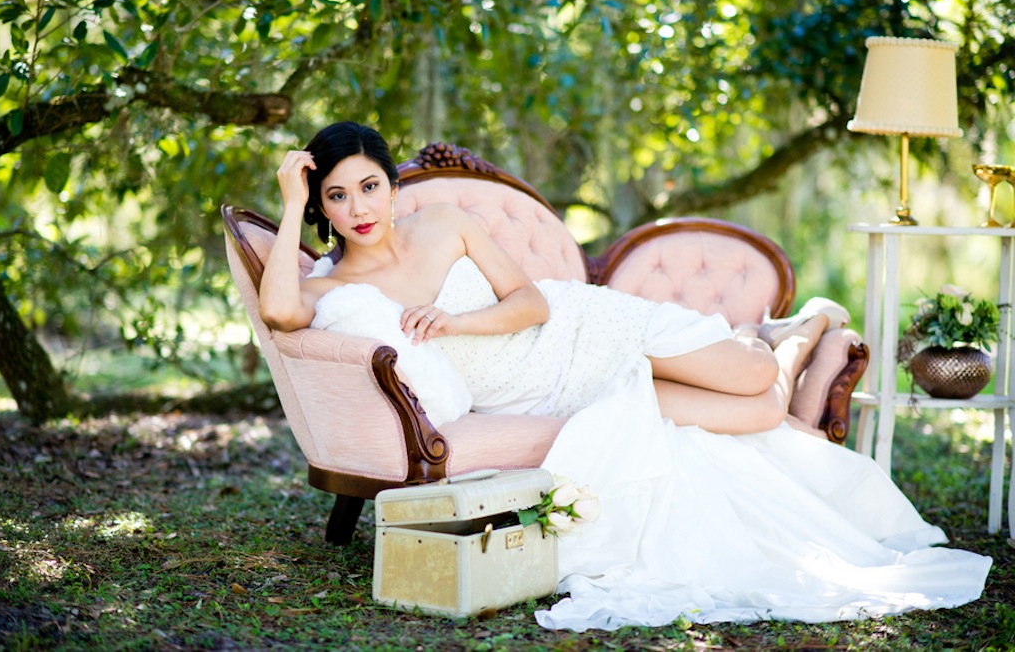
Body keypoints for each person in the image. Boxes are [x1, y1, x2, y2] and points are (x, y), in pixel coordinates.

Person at [260, 121, 991, 631]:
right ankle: (790, 338)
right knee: (762, 413)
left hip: (581, 331)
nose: (358, 208)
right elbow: (278, 314)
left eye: (370, 187)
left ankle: (794, 333)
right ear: (321, 206)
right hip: (551, 389)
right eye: (336, 195)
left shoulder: (444, 219)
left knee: (746, 378)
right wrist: (288, 201)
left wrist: (455, 323)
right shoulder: (328, 287)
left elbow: (531, 300)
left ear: (392, 186)